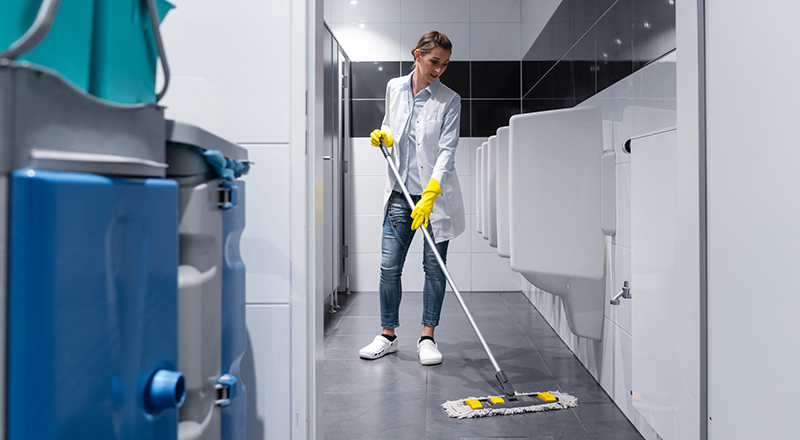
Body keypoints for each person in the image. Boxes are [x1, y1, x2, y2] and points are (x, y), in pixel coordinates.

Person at [358, 30, 465, 366]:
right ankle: (387, 335)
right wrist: (382, 136)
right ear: (417, 55)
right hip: (400, 194)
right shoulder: (394, 88)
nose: (439, 70)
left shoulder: (450, 99)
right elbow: (392, 126)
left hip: (435, 197)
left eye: (445, 64)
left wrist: (431, 193)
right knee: (389, 266)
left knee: (434, 269)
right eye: (434, 62)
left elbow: (447, 152)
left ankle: (427, 337)